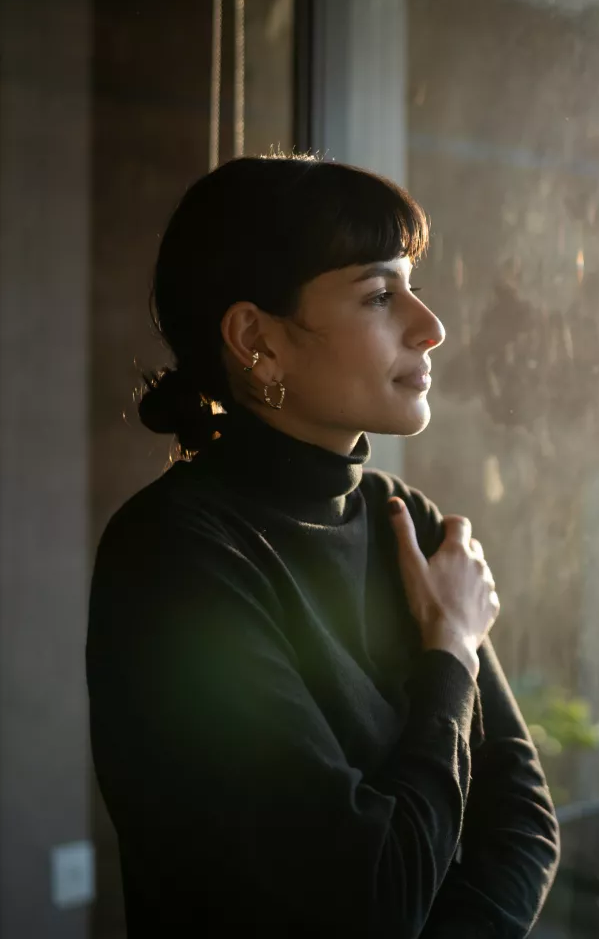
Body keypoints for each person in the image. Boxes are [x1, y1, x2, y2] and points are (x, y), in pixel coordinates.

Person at [85, 155, 559, 938]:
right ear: (257, 340)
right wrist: (450, 650)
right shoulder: (173, 558)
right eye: (380, 294)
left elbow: (522, 823)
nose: (429, 323)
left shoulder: (407, 517)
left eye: (411, 282)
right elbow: (368, 901)